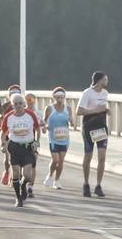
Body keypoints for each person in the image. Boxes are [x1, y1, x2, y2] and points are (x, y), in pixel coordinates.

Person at [0, 92, 41, 207]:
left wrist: (37, 142)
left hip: (28, 147)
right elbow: (3, 133)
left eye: (20, 103)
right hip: (14, 147)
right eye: (15, 104)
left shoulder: (30, 115)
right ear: (12, 105)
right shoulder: (9, 117)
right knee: (16, 172)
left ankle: (23, 186)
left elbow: (38, 129)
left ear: (24, 104)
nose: (18, 106)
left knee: (27, 175)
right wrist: (3, 144)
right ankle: (18, 198)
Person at [77, 70, 111, 198]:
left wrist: (106, 110)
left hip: (101, 127)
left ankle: (98, 185)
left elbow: (102, 107)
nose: (107, 82)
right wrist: (95, 110)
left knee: (102, 156)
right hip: (89, 127)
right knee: (88, 156)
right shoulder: (87, 93)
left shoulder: (105, 93)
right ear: (99, 80)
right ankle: (86, 184)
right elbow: (79, 111)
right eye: (105, 79)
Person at [42, 87, 72, 189]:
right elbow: (44, 121)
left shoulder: (68, 109)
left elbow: (72, 122)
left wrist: (72, 121)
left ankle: (57, 180)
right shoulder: (50, 108)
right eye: (57, 97)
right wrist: (45, 127)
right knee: (55, 160)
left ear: (64, 97)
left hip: (64, 138)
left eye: (61, 97)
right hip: (53, 138)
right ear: (54, 97)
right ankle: (50, 176)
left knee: (61, 161)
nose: (59, 99)